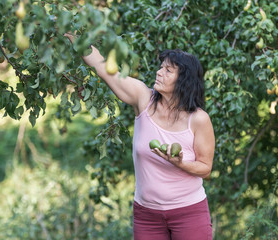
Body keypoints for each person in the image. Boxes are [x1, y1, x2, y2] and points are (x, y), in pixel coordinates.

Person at [65, 33, 215, 240]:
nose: (159, 72)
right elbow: (104, 69)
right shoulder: (144, 99)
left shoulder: (198, 119)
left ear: (184, 80)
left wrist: (179, 163)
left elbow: (206, 168)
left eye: (168, 70)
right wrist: (75, 37)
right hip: (147, 215)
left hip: (189, 212)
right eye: (161, 67)